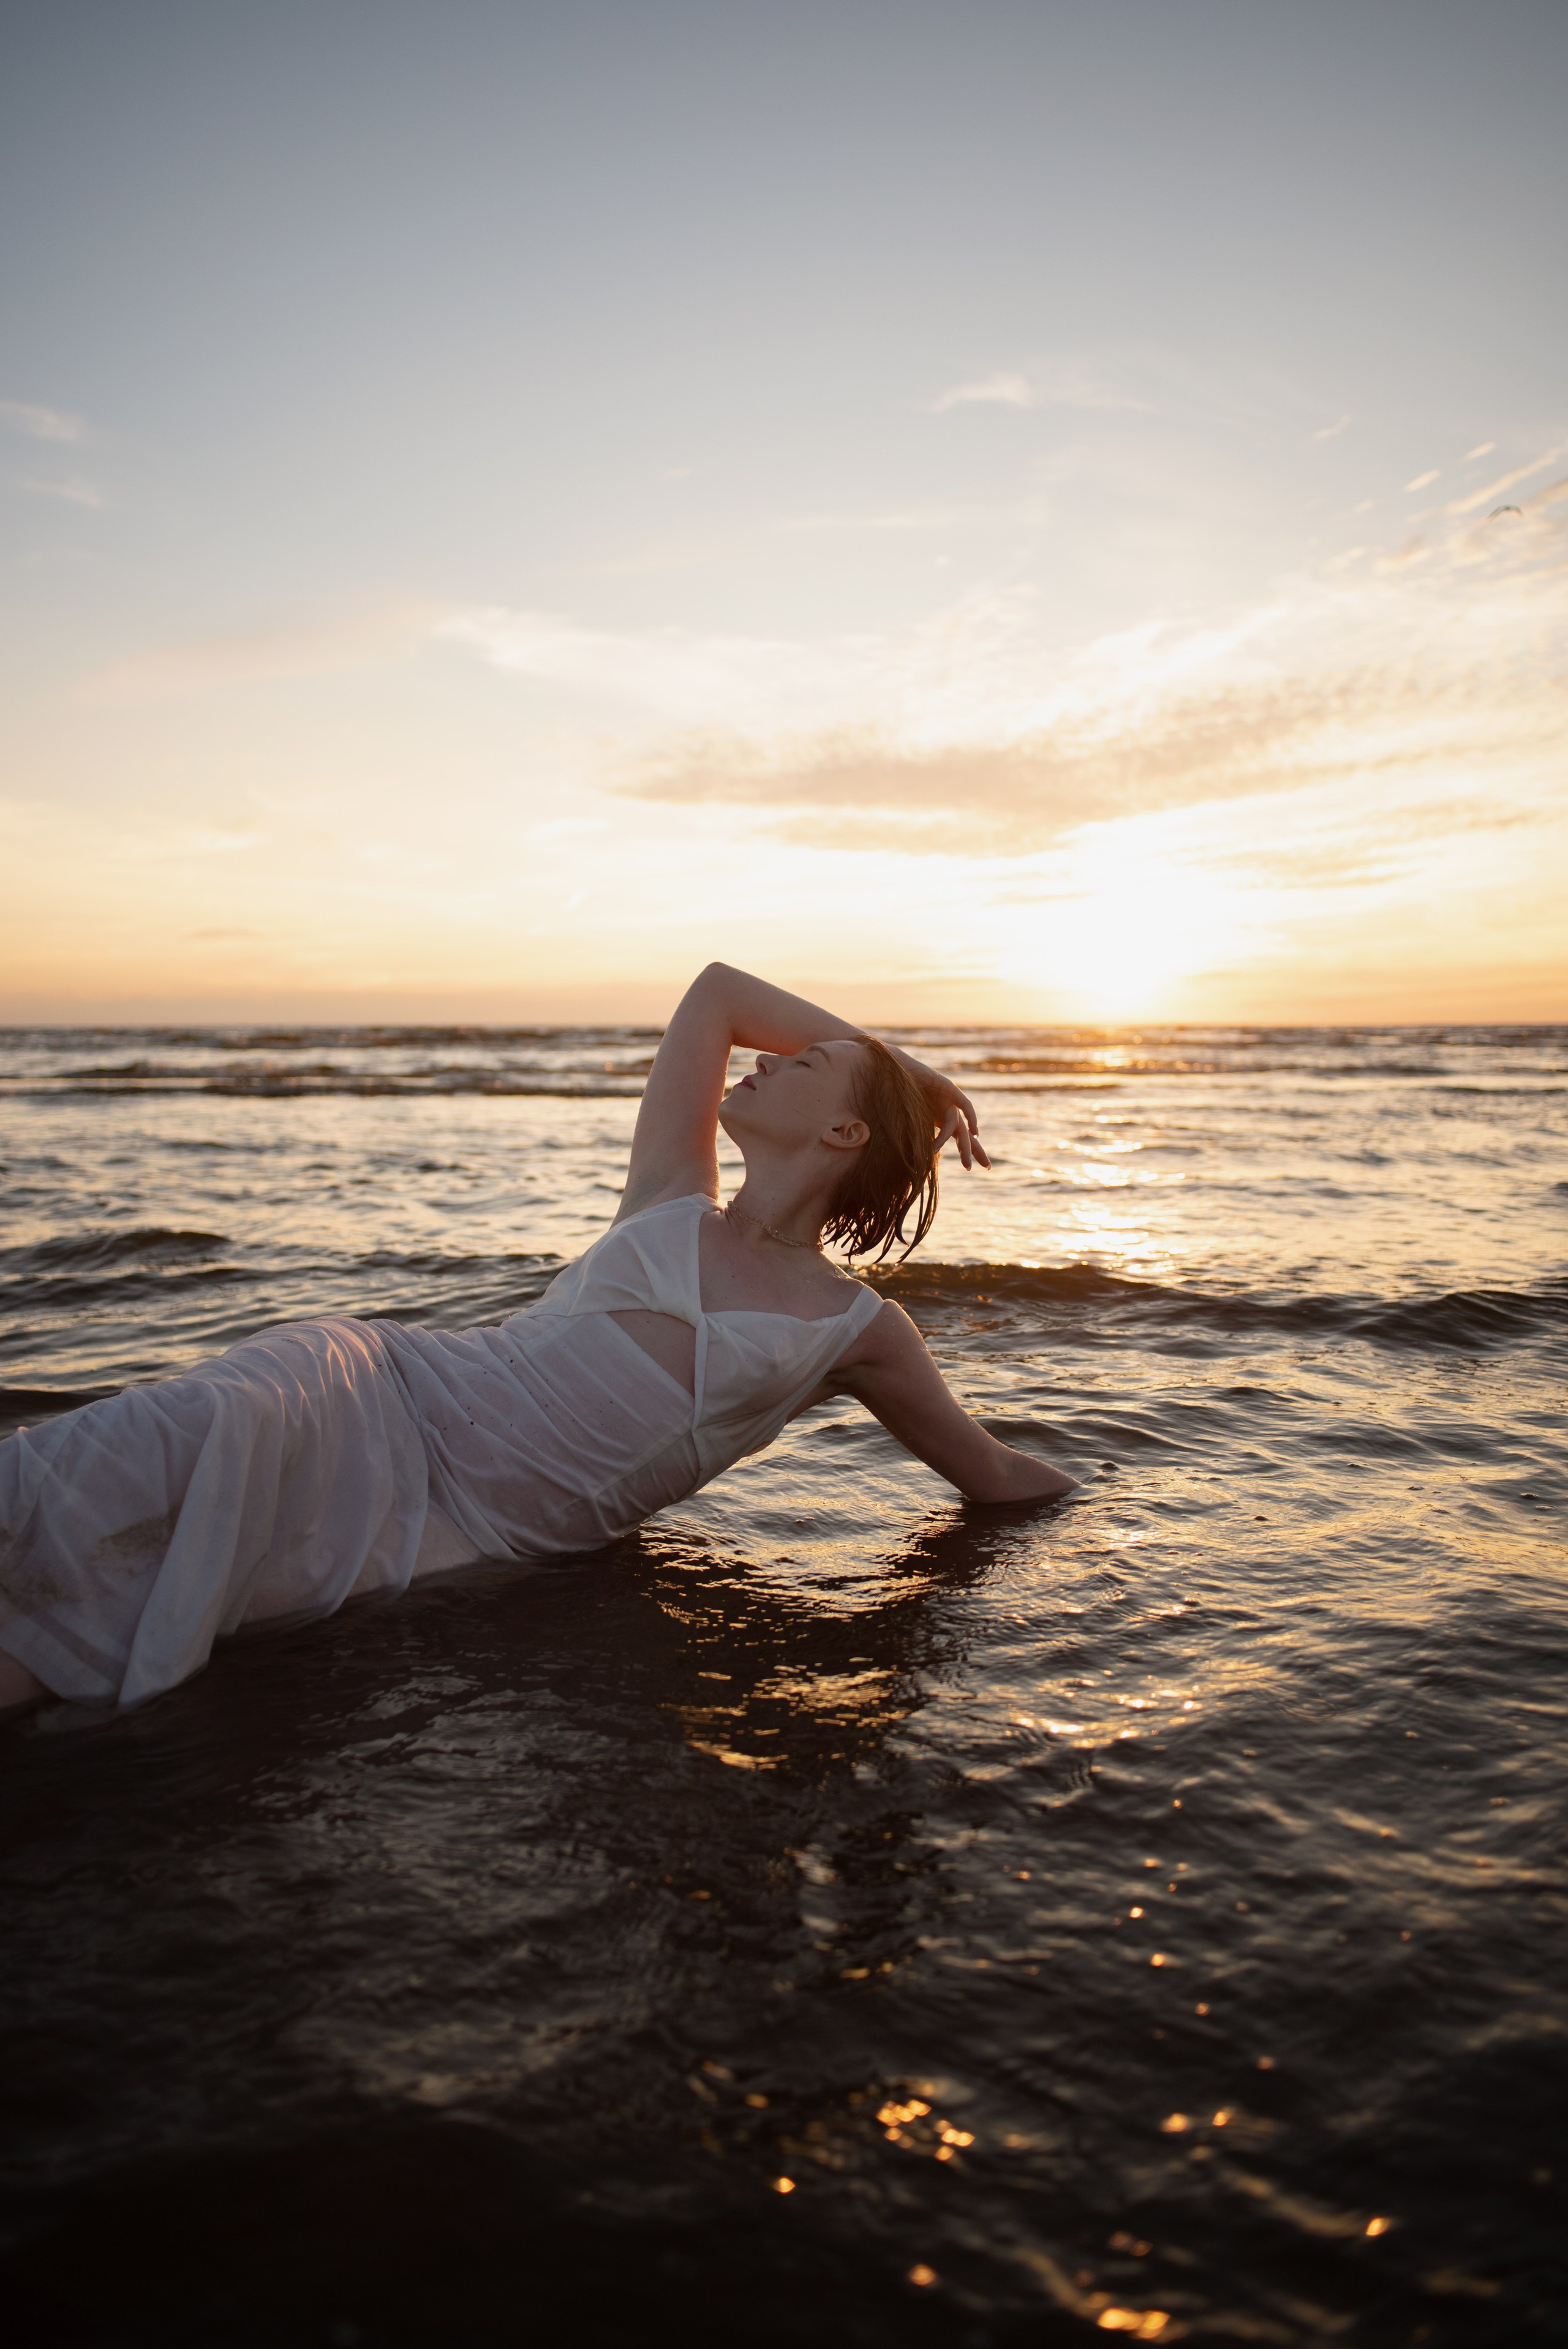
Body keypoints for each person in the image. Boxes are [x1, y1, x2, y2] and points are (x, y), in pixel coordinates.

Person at [0, 963, 1076, 1714]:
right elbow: (717, 993)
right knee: (138, 1457)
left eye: (808, 1065)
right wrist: (900, 1066)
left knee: (137, 1618)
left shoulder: (857, 1330)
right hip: (374, 1390)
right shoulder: (671, 1195)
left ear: (844, 1133)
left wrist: (1141, 1525)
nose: (769, 1059)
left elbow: (990, 1475)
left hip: (459, 1535)